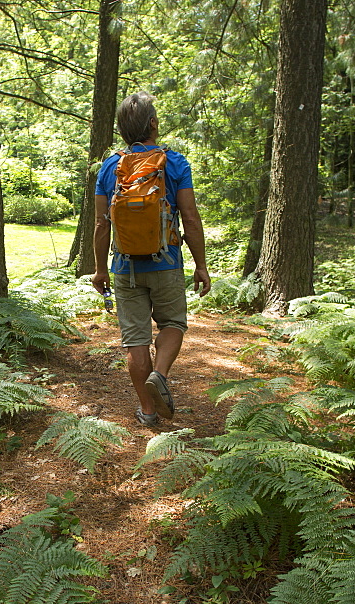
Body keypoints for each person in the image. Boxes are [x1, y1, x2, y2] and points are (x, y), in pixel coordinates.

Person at [91, 92, 211, 427]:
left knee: (136, 340)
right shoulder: (174, 163)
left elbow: (102, 224)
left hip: (125, 267)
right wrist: (200, 265)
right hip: (167, 261)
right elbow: (190, 216)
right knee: (173, 324)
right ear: (153, 124)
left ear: (122, 129)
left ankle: (147, 411)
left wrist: (100, 270)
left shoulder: (109, 167)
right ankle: (160, 374)